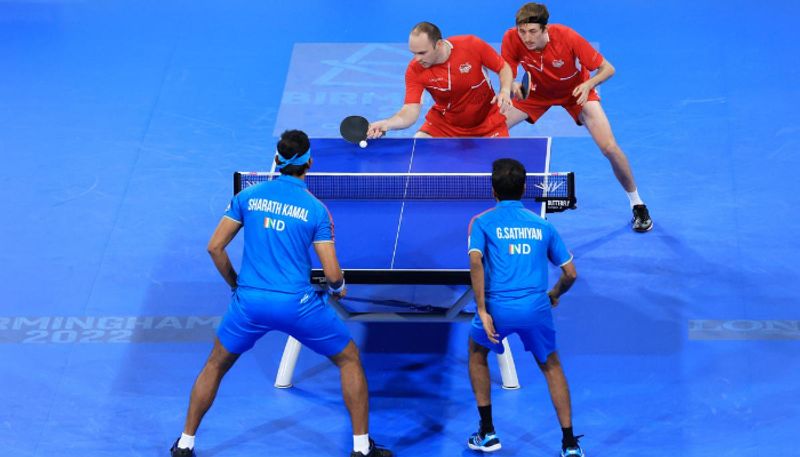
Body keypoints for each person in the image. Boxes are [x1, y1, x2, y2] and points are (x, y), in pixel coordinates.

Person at [169, 130, 392, 457]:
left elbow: (215, 247)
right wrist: (339, 288)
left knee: (215, 364)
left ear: (277, 160)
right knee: (348, 359)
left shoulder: (248, 197)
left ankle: (185, 443)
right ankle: (361, 449)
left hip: (250, 304)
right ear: (309, 163)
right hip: (297, 306)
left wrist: (235, 284)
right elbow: (331, 273)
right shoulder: (316, 210)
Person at [466, 158, 583, 456]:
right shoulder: (543, 225)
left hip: (497, 309)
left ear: (493, 190)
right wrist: (554, 294)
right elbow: (571, 273)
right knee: (552, 367)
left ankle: (488, 432)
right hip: (535, 308)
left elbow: (475, 261)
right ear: (524, 189)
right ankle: (569, 444)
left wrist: (481, 309)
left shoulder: (480, 222)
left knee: (477, 355)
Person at [501, 3, 653, 232]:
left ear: (545, 29)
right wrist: (510, 83)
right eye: (522, 31)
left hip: (576, 93)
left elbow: (608, 69)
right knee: (492, 127)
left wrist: (588, 84)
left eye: (533, 32)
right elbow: (507, 69)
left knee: (609, 147)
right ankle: (495, 198)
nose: (527, 38)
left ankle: (637, 203)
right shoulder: (512, 38)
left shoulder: (567, 37)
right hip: (537, 93)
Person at [367, 22, 514, 139]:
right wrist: (388, 123)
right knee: (419, 151)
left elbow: (503, 67)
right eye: (413, 53)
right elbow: (410, 110)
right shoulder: (415, 70)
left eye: (422, 53)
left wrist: (505, 91)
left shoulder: (471, 45)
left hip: (488, 122)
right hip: (445, 125)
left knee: (504, 170)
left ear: (439, 44)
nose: (417, 59)